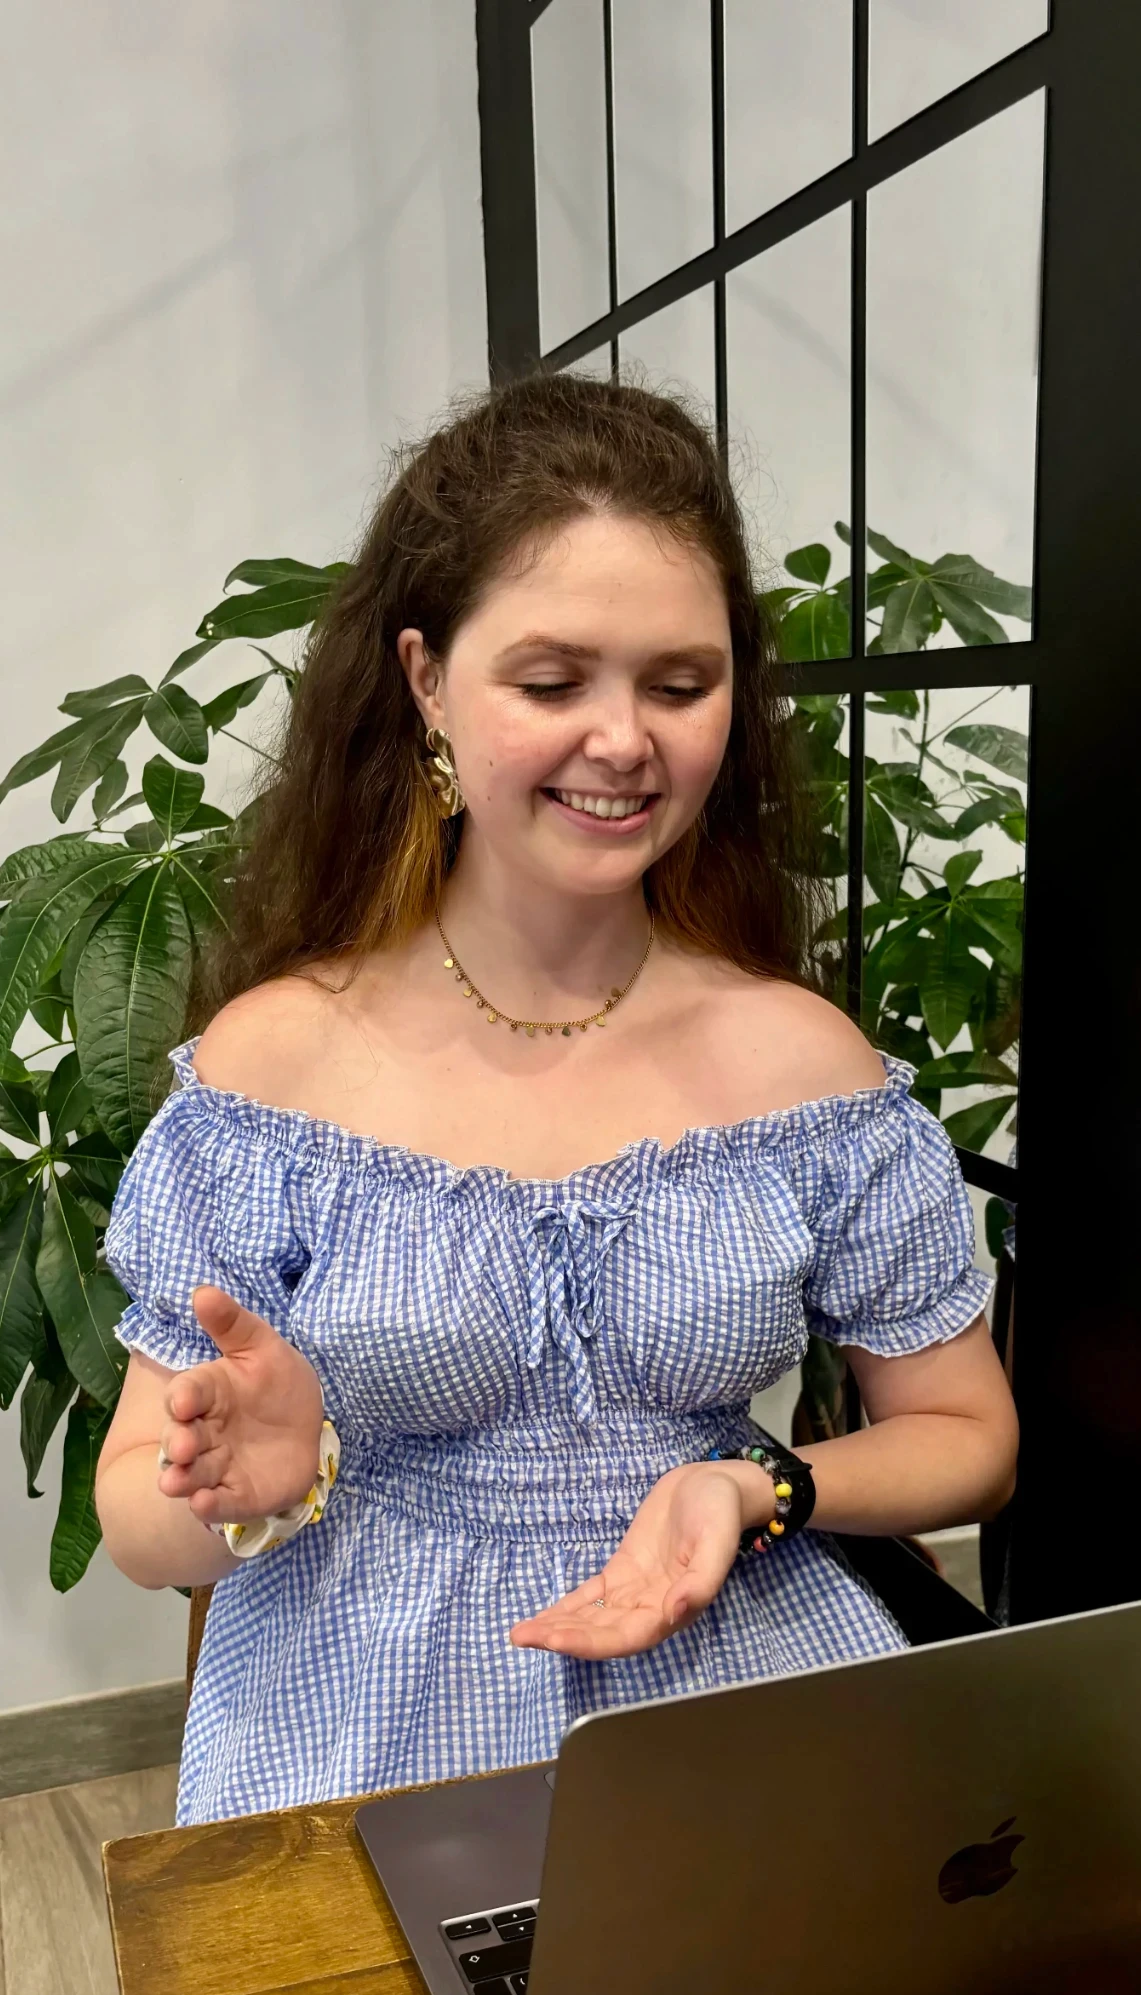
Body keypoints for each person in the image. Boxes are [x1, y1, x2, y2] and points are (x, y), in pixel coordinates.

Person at [93, 372, 1019, 1827]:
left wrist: (755, 1488)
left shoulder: (806, 1070)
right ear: (424, 683)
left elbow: (965, 1430)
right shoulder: (275, 1072)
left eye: (678, 682)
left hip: (738, 1711)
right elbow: (140, 1524)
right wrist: (257, 1484)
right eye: (549, 681)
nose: (623, 743)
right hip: (364, 1741)